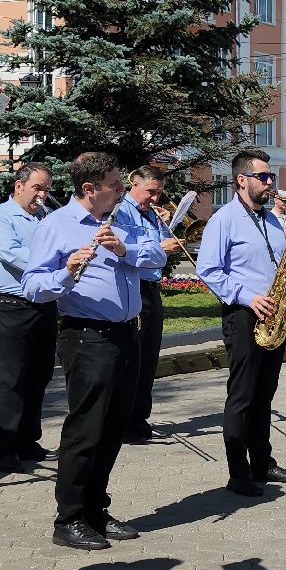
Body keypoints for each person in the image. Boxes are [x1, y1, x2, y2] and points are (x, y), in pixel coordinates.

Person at [18, 152, 165, 550]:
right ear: (90, 189)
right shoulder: (57, 226)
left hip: (126, 334)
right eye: (115, 184)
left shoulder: (124, 219)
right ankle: (69, 518)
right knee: (87, 428)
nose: (122, 189)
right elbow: (32, 286)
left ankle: (96, 508)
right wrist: (66, 272)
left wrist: (123, 250)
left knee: (115, 427)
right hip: (87, 337)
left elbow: (158, 255)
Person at [195, 149, 286, 496]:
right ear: (242, 180)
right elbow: (208, 270)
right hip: (245, 315)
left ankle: (262, 462)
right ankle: (237, 472)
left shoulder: (272, 220)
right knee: (242, 395)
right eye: (264, 177)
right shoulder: (224, 219)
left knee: (265, 393)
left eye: (271, 177)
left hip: (274, 313)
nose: (271, 183)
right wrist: (248, 296)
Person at [0, 163, 58, 473]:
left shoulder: (46, 218)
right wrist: (53, 263)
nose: (42, 194)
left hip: (43, 303)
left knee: (39, 375)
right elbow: (11, 253)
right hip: (11, 304)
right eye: (38, 187)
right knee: (12, 378)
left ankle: (28, 440)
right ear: (19, 186)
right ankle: (5, 447)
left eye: (46, 188)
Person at [120, 165, 184, 445]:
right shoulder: (121, 212)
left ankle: (140, 418)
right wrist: (161, 248)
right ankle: (125, 422)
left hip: (152, 287)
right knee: (133, 358)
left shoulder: (152, 214)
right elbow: (129, 252)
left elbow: (157, 251)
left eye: (158, 193)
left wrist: (165, 230)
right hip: (134, 287)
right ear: (134, 183)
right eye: (150, 192)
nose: (155, 199)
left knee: (149, 357)